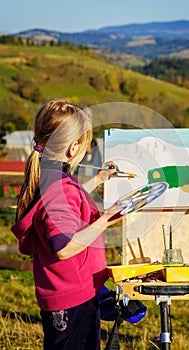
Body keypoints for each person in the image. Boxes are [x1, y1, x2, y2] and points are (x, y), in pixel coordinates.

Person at [11, 98, 122, 350]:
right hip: (73, 302)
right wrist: (105, 219)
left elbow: (65, 207)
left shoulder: (51, 178)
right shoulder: (58, 186)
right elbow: (63, 247)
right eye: (86, 144)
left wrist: (98, 180)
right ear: (73, 149)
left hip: (69, 295)